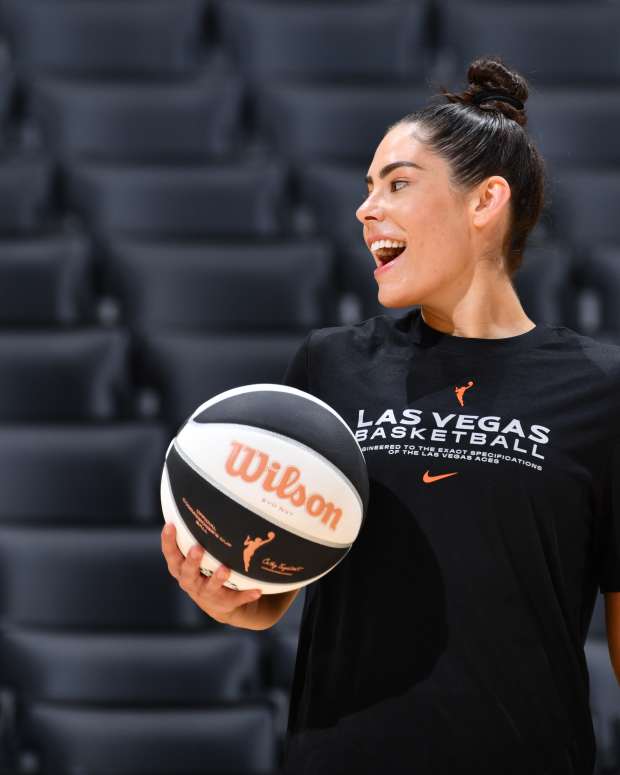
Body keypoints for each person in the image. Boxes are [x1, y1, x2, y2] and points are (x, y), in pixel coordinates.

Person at [161, 55, 620, 775]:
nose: (365, 208)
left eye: (398, 183)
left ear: (484, 201)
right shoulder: (330, 364)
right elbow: (271, 596)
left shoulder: (603, 389)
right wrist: (228, 597)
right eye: (367, 186)